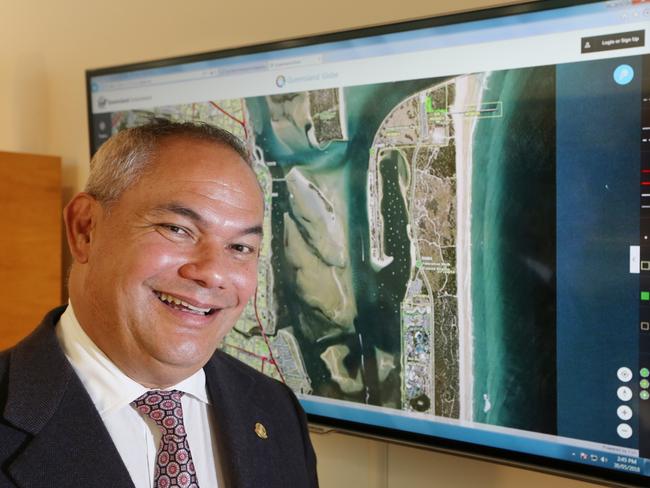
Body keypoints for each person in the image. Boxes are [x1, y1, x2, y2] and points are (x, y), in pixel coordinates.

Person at [0, 119, 319, 488]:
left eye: (240, 247)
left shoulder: (276, 409)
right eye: (177, 229)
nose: (213, 273)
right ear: (85, 229)